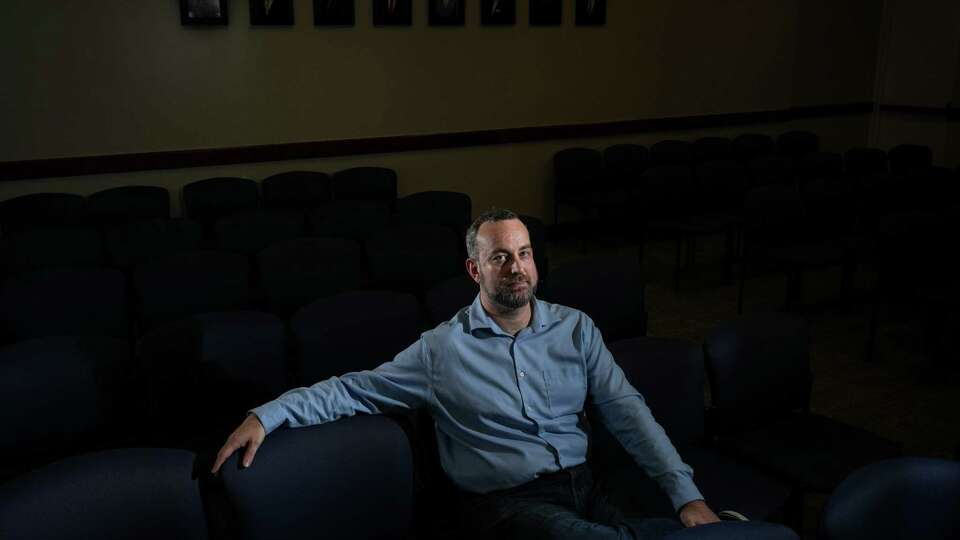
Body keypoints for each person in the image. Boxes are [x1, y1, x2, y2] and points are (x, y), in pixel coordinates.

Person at [212, 208, 719, 538]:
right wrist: (267, 415)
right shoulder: (442, 350)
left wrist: (686, 494)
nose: (516, 267)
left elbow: (628, 413)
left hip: (585, 485)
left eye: (524, 254)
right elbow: (355, 390)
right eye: (500, 257)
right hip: (506, 508)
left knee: (694, 527)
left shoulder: (575, 329)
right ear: (476, 270)